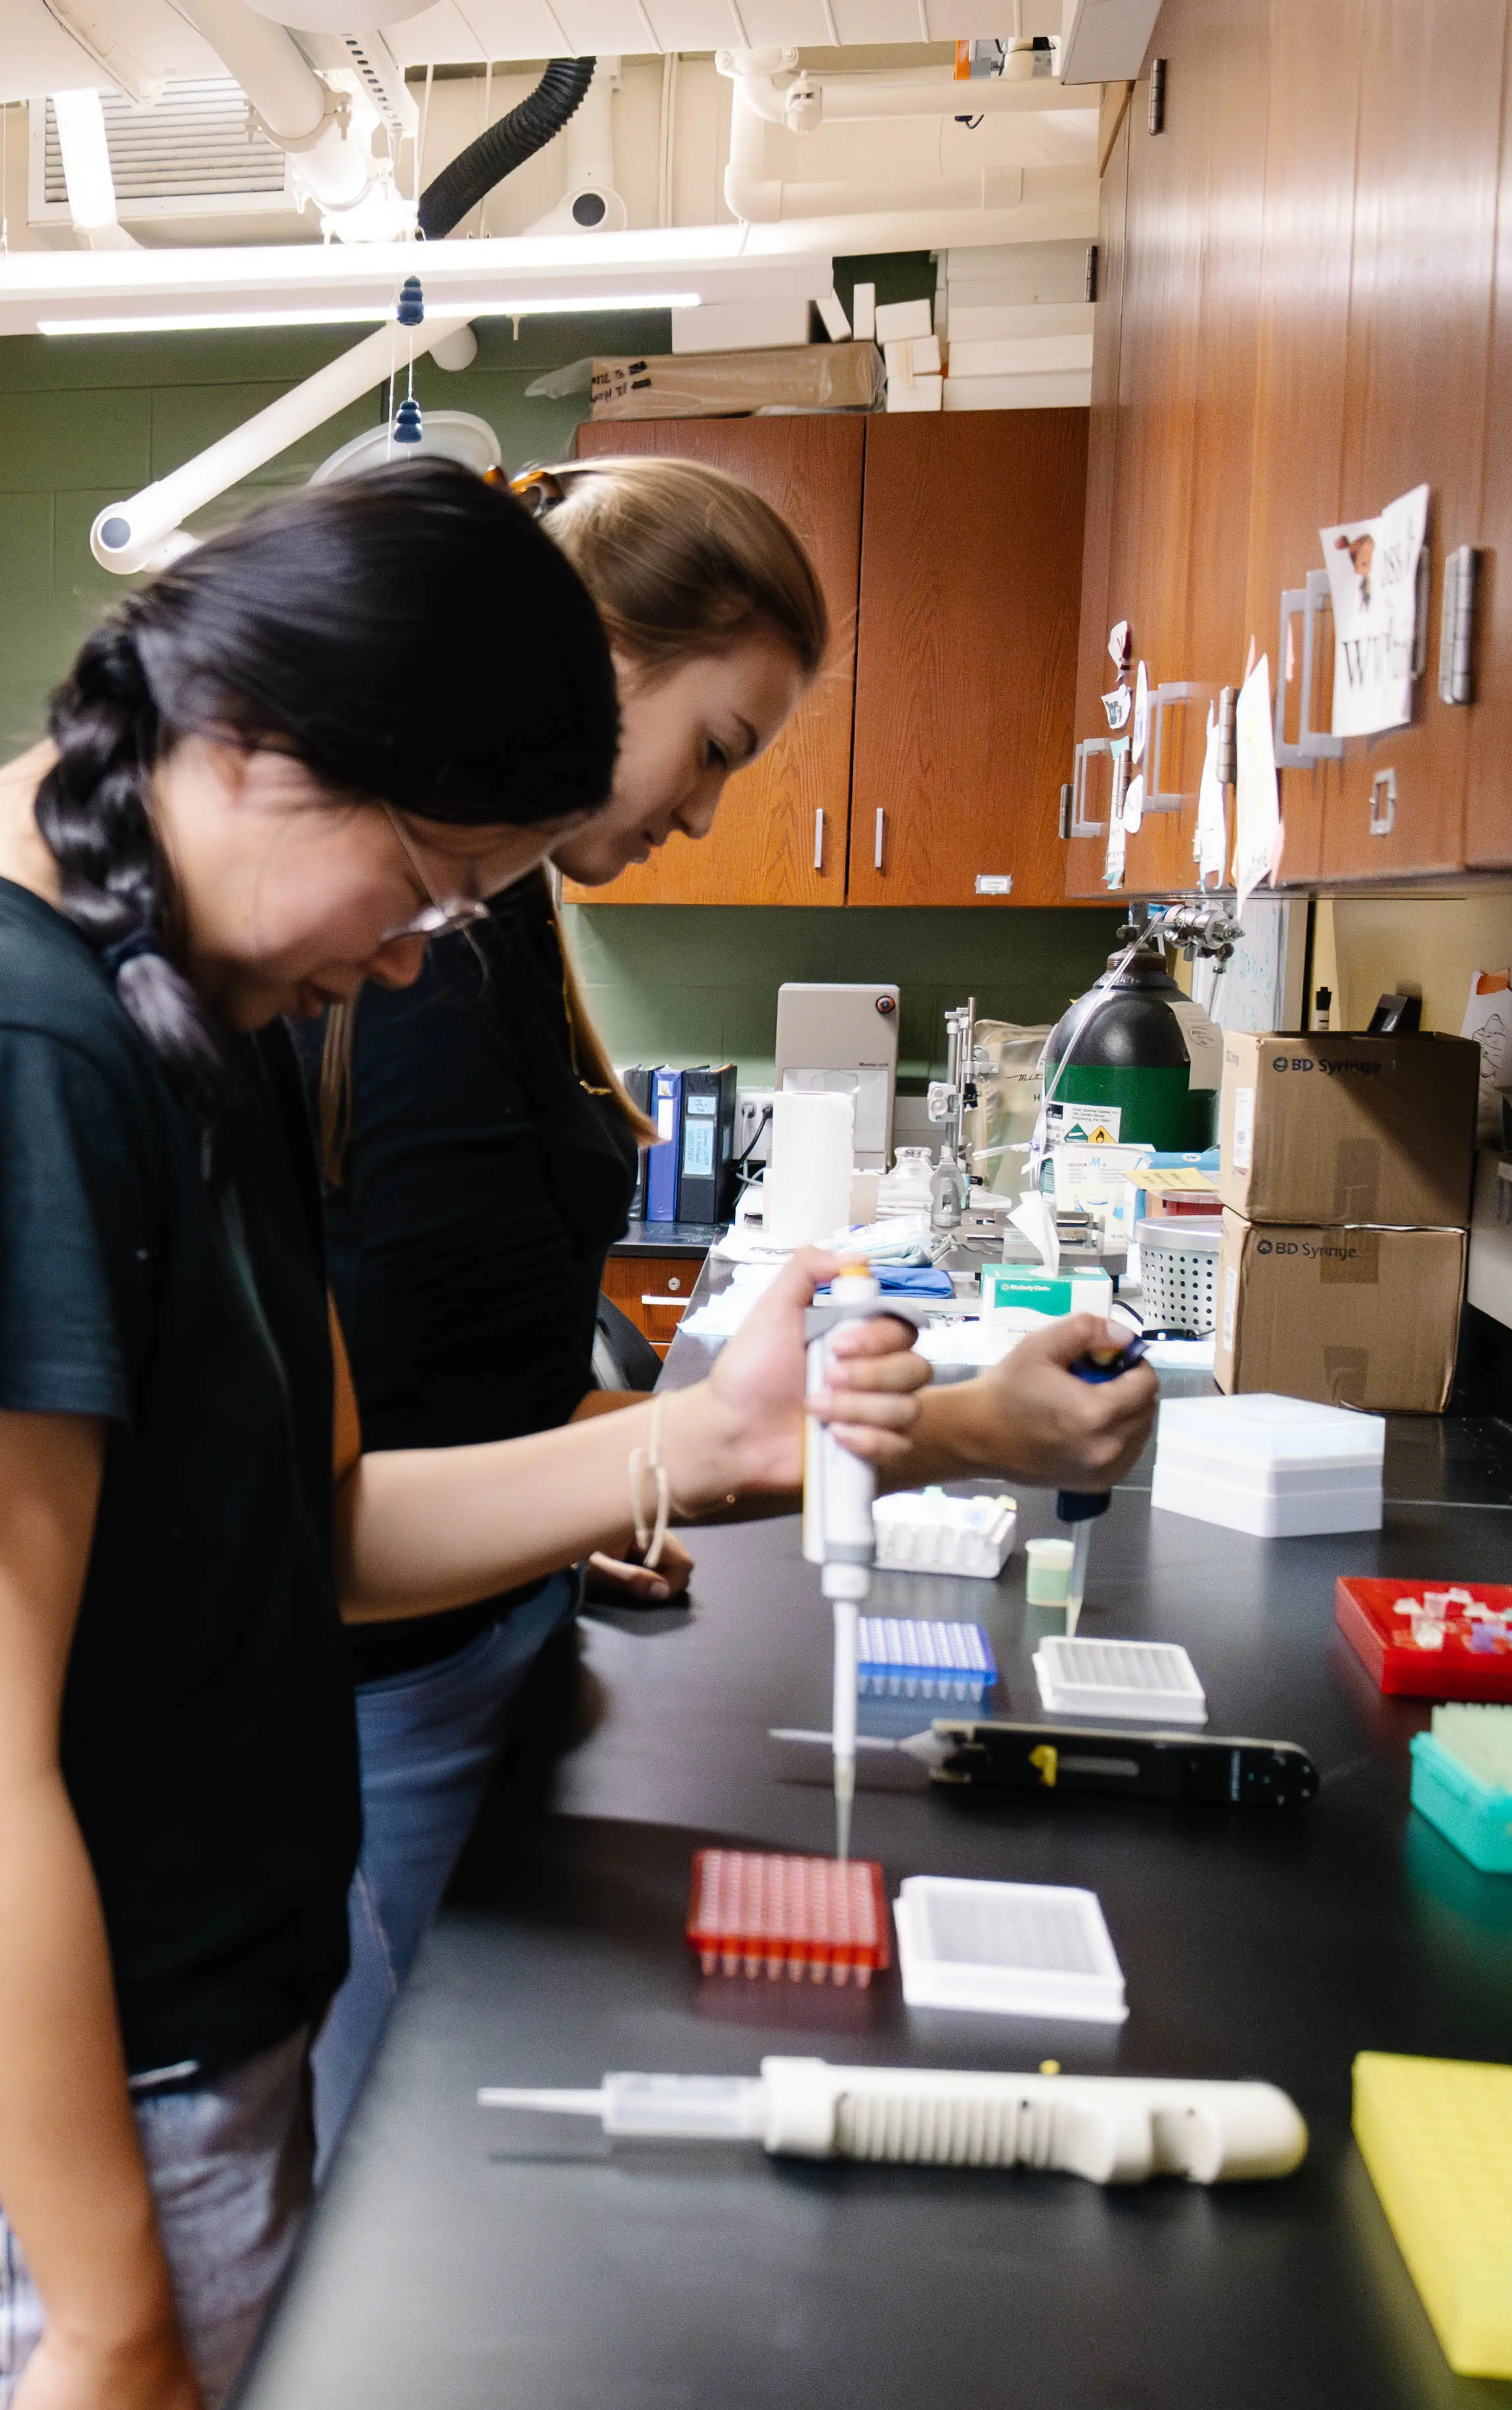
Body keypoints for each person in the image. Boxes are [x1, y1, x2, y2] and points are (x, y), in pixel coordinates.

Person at [0, 462, 943, 2410]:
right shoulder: (4, 1051)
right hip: (6, 2160)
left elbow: (331, 1531)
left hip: (156, 2077)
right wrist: (101, 2328)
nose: (416, 945)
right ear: (265, 747)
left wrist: (700, 1439)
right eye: (434, 877)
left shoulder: (206, 1002)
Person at [296, 456, 1165, 2152]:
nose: (703, 814)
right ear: (595, 655)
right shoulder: (412, 967)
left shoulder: (508, 924)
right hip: (382, 1713)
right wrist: (948, 1431)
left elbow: (476, 1402)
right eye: (714, 749)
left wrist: (582, 1494)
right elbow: (361, 1489)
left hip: (482, 1652)